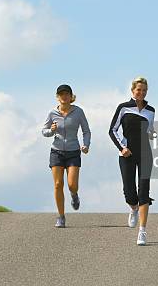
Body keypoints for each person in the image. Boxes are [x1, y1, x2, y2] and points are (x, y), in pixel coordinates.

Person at [109, 77, 155, 245]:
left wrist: (152, 134)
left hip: (145, 154)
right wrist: (122, 148)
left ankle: (142, 231)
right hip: (127, 154)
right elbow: (112, 130)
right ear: (132, 90)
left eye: (144, 90)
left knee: (144, 191)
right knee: (129, 192)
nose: (141, 93)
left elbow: (149, 130)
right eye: (138, 90)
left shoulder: (151, 110)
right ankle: (133, 208)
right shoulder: (123, 108)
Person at [42, 84, 91, 228]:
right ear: (57, 97)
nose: (64, 97)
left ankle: (74, 196)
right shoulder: (52, 113)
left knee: (72, 185)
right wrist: (51, 131)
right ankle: (61, 216)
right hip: (56, 151)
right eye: (61, 94)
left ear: (71, 96)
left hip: (73, 151)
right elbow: (44, 131)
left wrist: (86, 145)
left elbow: (86, 131)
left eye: (66, 94)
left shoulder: (78, 112)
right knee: (58, 184)